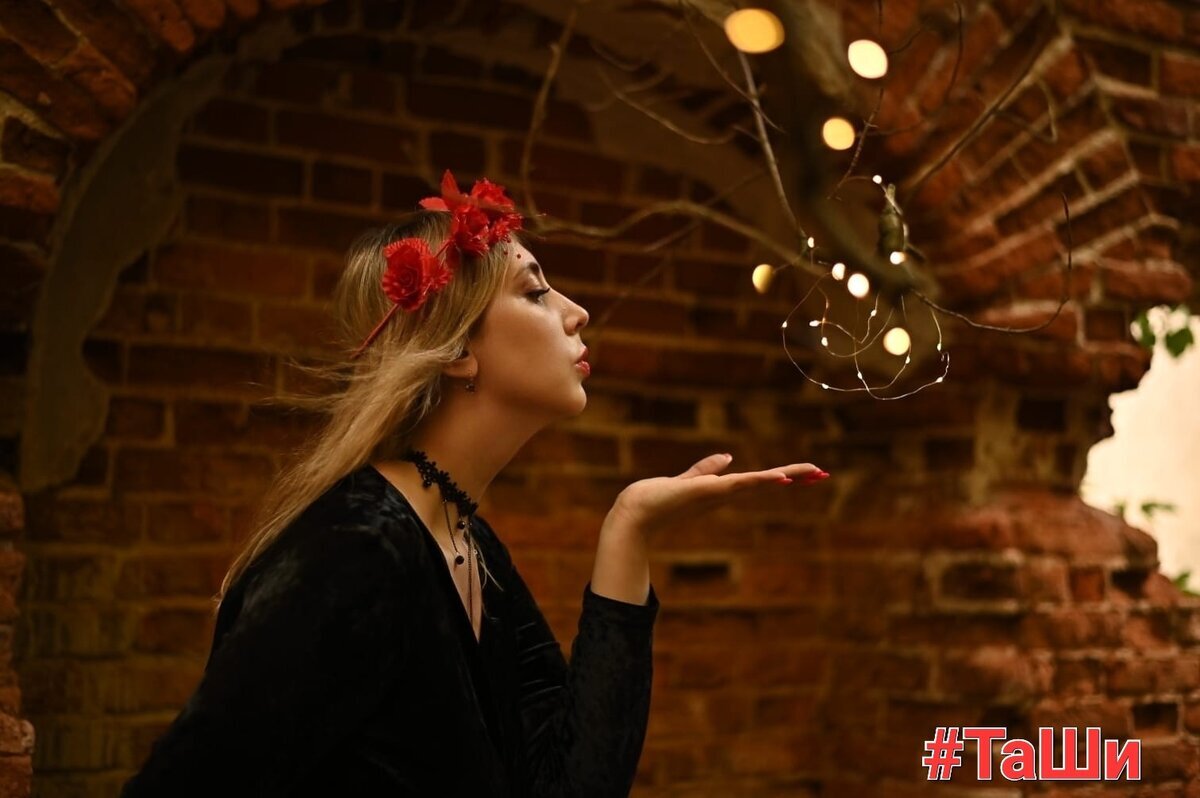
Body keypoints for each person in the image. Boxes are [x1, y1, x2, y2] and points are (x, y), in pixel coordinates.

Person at [118, 170, 825, 797]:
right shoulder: (357, 548)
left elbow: (571, 783)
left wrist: (629, 528)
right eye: (536, 292)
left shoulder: (467, 543)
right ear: (456, 349)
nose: (576, 313)